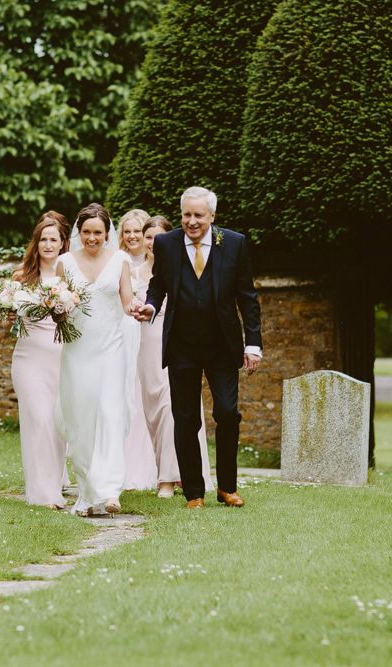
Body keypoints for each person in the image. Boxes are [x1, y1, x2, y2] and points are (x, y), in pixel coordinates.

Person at [135, 187, 262, 509]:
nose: (192, 222)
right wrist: (151, 306)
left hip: (223, 345)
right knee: (186, 417)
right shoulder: (167, 243)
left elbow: (247, 298)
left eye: (199, 216)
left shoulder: (234, 243)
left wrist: (254, 344)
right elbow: (158, 284)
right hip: (181, 345)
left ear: (212, 217)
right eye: (186, 215)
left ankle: (227, 488)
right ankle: (194, 492)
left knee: (227, 413)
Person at [56, 203, 137, 516]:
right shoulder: (64, 262)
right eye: (86, 232)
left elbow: (127, 301)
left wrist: (140, 310)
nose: (92, 238)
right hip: (77, 349)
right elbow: (56, 304)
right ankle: (88, 493)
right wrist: (54, 308)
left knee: (110, 412)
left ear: (107, 234)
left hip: (111, 347)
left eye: (98, 233)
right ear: (79, 232)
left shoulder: (120, 260)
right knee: (81, 418)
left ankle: (111, 490)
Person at [135, 216, 213, 497]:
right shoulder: (133, 273)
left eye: (159, 237)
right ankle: (166, 469)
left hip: (176, 347)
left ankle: (169, 479)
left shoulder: (184, 267)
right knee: (153, 412)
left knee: (173, 409)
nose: (153, 243)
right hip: (144, 349)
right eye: (148, 237)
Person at [11, 212, 71, 509]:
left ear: (62, 243)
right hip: (28, 358)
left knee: (57, 423)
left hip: (61, 358)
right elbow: (11, 315)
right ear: (36, 243)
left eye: (53, 239)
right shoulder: (22, 276)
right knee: (38, 419)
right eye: (43, 239)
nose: (48, 244)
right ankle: (41, 493)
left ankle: (55, 485)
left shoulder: (68, 276)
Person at [117, 209, 157, 491]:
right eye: (127, 231)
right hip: (122, 336)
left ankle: (153, 466)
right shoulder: (117, 262)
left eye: (137, 231)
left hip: (149, 336)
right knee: (125, 395)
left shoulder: (157, 265)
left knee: (148, 396)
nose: (132, 237)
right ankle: (124, 466)